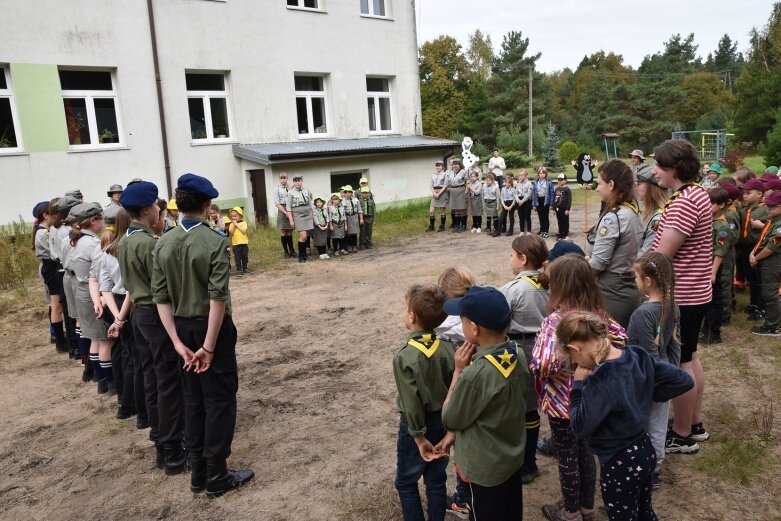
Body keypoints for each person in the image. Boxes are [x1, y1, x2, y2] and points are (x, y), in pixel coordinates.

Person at [152, 173, 254, 497]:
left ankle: (198, 473)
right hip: (212, 330)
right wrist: (208, 347)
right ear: (208, 205)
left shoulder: (163, 242)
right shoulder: (214, 241)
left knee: (193, 401)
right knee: (219, 400)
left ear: (179, 205)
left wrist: (178, 343)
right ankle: (217, 475)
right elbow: (217, 299)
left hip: (180, 328)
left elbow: (161, 298)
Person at [558, 311, 693, 521]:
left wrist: (577, 386)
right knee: (644, 511)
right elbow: (683, 380)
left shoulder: (599, 380)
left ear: (575, 348)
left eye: (573, 358)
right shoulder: (636, 355)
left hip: (619, 463)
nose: (577, 364)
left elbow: (579, 427)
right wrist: (646, 393)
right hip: (645, 451)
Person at [531, 254, 626, 521]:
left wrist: (567, 361)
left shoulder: (555, 324)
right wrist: (596, 359)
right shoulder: (599, 318)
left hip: (562, 405)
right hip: (595, 401)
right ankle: (587, 508)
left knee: (567, 458)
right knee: (585, 453)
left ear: (559, 287)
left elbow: (541, 365)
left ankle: (570, 512)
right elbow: (623, 339)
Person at [439, 286, 530, 521]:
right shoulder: (517, 352)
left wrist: (458, 371)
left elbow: (450, 417)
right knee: (510, 511)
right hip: (510, 458)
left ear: (474, 328)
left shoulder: (475, 374)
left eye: (462, 319)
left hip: (484, 468)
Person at [116, 181, 188, 473]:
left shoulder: (126, 241)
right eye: (158, 206)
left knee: (152, 378)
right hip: (156, 315)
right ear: (147, 209)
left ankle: (160, 439)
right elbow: (166, 286)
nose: (161, 210)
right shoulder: (149, 244)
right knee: (168, 381)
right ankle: (172, 451)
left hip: (140, 316)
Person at [651, 139, 713, 454]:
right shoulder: (696, 193)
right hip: (695, 291)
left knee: (680, 364)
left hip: (683, 295)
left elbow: (662, 256)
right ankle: (695, 424)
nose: (654, 171)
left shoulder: (685, 201)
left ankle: (682, 433)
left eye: (659, 166)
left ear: (674, 169)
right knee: (690, 357)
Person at [393, 284, 455, 521]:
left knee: (406, 481)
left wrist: (418, 436)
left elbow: (410, 402)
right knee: (437, 480)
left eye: (405, 308)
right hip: (443, 422)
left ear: (411, 316)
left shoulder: (404, 356)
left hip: (415, 427)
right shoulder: (449, 349)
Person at [498, 235, 550, 485]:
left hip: (520, 349)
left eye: (511, 254)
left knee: (520, 408)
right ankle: (530, 462)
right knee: (532, 406)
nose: (510, 259)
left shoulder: (514, 289)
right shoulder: (549, 284)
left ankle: (523, 464)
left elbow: (500, 319)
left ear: (523, 259)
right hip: (543, 346)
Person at [628, 252, 681, 487]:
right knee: (658, 424)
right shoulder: (672, 306)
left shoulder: (643, 313)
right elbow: (675, 346)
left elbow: (647, 354)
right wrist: (672, 373)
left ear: (648, 282)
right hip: (664, 375)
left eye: (636, 278)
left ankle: (642, 467)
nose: (635, 282)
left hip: (644, 378)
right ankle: (655, 466)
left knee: (640, 423)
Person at [586, 159, 642, 327]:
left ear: (611, 184)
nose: (597, 188)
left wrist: (574, 269)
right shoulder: (632, 212)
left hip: (611, 292)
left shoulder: (613, 218)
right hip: (628, 286)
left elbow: (598, 263)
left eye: (599, 183)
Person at [68, 202, 114, 395]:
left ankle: (99, 378)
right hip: (92, 293)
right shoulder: (94, 244)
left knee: (94, 338)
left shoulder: (77, 240)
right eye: (101, 219)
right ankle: (109, 382)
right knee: (104, 340)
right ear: (94, 220)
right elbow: (97, 272)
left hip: (81, 291)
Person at [100, 208, 141, 420]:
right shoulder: (127, 249)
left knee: (125, 353)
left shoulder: (106, 251)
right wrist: (121, 317)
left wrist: (115, 315)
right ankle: (130, 404)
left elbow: (105, 287)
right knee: (135, 357)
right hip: (129, 304)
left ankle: (125, 401)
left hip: (115, 304)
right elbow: (131, 288)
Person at [700, 188, 737, 345]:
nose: (707, 206)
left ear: (721, 205)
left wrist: (713, 273)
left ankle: (714, 332)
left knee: (714, 300)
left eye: (711, 204)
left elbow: (720, 251)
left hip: (714, 267)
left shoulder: (721, 226)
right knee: (706, 300)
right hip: (707, 265)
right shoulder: (710, 220)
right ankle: (706, 327)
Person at [34, 202, 68, 354]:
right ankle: (59, 340)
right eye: (52, 213)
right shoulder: (43, 233)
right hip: (49, 267)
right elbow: (53, 250)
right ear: (45, 216)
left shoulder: (48, 231)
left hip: (52, 266)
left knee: (57, 305)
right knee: (56, 306)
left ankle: (60, 337)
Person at [749, 190, 781, 336]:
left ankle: (773, 326)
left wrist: (756, 258)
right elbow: (763, 240)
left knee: (770, 294)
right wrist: (753, 253)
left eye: (773, 207)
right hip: (767, 260)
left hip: (773, 262)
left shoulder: (779, 225)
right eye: (767, 206)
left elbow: (771, 247)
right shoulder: (772, 221)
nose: (768, 209)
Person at [736, 178, 768, 321]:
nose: (745, 196)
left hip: (758, 248)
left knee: (759, 278)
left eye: (749, 193)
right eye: (744, 193)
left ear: (760, 194)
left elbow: (771, 230)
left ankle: (762, 305)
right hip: (744, 248)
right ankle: (754, 302)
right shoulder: (744, 210)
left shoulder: (766, 210)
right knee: (750, 277)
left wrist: (762, 226)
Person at [636, 167, 668, 257]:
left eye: (638, 184)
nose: (635, 188)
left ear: (650, 187)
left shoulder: (658, 218)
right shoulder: (651, 212)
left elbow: (647, 254)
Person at [287, 176, 315, 263]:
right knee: (303, 236)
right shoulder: (290, 192)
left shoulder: (306, 191)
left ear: (301, 181)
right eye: (295, 181)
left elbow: (310, 204)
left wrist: (313, 215)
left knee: (305, 236)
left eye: (299, 181)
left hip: (307, 213)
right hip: (298, 214)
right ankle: (300, 256)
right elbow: (288, 207)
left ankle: (304, 255)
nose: (297, 183)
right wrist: (291, 220)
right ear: (293, 183)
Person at [275, 172, 296, 258]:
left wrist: (290, 211)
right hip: (282, 209)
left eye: (285, 178)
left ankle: (292, 250)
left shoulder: (291, 188)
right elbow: (277, 203)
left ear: (287, 178)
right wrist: (285, 212)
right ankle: (286, 252)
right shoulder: (277, 189)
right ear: (279, 179)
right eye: (281, 178)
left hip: (290, 208)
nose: (283, 180)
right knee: (284, 231)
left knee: (290, 231)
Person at [532, 167, 555, 238]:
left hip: (545, 200)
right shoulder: (536, 182)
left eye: (543, 173)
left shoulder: (548, 182)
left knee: (545, 216)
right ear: (538, 174)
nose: (542, 175)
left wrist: (551, 204)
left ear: (546, 174)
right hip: (538, 200)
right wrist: (534, 204)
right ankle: (542, 230)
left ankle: (546, 231)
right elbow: (533, 194)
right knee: (540, 216)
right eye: (540, 173)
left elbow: (552, 193)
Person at [448, 159, 469, 233]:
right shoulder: (450, 172)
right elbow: (448, 182)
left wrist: (466, 190)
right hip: (453, 191)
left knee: (462, 208)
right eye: (453, 164)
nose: (454, 166)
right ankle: (457, 226)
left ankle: (463, 226)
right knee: (456, 209)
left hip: (461, 190)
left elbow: (467, 181)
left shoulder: (464, 172)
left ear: (460, 165)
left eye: (456, 164)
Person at [341, 185, 363, 253]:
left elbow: (360, 210)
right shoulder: (342, 201)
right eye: (346, 192)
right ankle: (349, 246)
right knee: (348, 233)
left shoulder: (356, 200)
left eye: (349, 192)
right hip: (347, 217)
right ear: (344, 193)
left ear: (351, 193)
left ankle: (354, 246)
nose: (348, 194)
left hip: (354, 217)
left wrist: (361, 219)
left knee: (354, 232)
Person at [428, 160, 449, 232]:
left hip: (442, 192)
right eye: (436, 165)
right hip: (435, 193)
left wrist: (439, 193)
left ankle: (442, 226)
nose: (437, 167)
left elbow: (445, 185)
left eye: (439, 165)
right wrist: (434, 193)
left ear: (442, 167)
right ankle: (431, 226)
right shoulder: (433, 175)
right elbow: (431, 186)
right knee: (431, 211)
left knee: (442, 210)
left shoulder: (445, 174)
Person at [228, 207, 249, 275]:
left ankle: (245, 268)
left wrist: (237, 224)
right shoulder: (231, 224)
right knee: (237, 258)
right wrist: (234, 225)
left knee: (245, 257)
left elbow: (244, 231)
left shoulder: (243, 223)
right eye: (232, 216)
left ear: (240, 216)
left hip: (244, 243)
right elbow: (231, 233)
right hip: (236, 244)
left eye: (235, 216)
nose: (234, 218)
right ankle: (239, 270)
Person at [358, 178, 376, 249]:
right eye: (363, 193)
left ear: (368, 193)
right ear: (361, 193)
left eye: (366, 193)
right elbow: (358, 210)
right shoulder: (359, 201)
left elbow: (374, 210)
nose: (365, 194)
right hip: (363, 217)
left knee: (369, 231)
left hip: (370, 217)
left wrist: (374, 219)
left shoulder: (371, 201)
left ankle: (368, 242)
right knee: (362, 231)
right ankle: (362, 243)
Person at [554, 173, 572, 241]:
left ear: (565, 180)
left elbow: (569, 200)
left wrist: (568, 209)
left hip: (564, 208)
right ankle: (560, 233)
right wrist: (554, 208)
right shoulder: (556, 189)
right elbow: (555, 199)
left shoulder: (567, 189)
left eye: (561, 179)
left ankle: (565, 234)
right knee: (559, 221)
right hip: (558, 208)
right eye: (558, 179)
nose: (559, 181)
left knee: (565, 221)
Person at [516, 169, 533, 236]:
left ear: (526, 176)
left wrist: (522, 201)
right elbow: (516, 193)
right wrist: (518, 200)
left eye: (522, 175)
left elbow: (529, 193)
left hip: (526, 201)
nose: (520, 177)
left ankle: (528, 230)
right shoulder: (518, 183)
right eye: (519, 175)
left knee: (527, 216)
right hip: (519, 201)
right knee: (521, 216)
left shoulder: (529, 183)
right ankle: (522, 231)